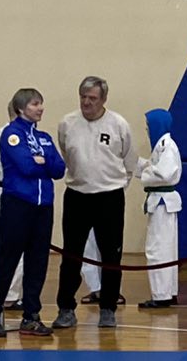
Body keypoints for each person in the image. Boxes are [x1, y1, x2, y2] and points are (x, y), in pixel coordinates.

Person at [0, 88, 64, 337]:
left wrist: (42, 161)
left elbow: (59, 169)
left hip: (43, 206)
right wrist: (43, 162)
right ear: (20, 108)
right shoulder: (11, 134)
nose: (40, 108)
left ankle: (31, 315)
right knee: (8, 260)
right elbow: (26, 167)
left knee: (38, 261)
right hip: (18, 203)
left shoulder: (44, 137)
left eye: (41, 103)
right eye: (34, 104)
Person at [54, 76, 134, 330]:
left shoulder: (118, 124)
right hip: (77, 195)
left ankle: (108, 308)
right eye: (83, 97)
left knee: (111, 255)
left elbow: (129, 161)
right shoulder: (67, 123)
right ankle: (66, 309)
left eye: (92, 98)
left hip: (110, 197)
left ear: (104, 99)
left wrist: (113, 185)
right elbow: (66, 154)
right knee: (71, 255)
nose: (87, 102)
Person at [136, 108, 182, 309]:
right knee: (166, 249)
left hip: (163, 202)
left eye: (148, 125)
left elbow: (163, 174)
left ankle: (161, 295)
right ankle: (167, 292)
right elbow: (152, 167)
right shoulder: (162, 147)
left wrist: (145, 172)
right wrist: (135, 164)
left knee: (158, 249)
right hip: (162, 202)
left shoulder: (167, 146)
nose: (147, 130)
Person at [0, 99, 24, 313]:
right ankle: (7, 296)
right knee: (9, 248)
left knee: (23, 250)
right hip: (8, 192)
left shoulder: (25, 135)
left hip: (22, 193)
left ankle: (13, 294)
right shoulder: (9, 135)